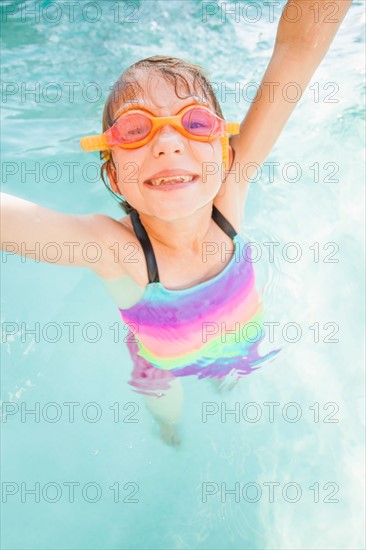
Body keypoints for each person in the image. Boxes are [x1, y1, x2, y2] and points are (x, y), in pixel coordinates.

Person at [1, 1, 352, 445]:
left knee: (234, 372)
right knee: (167, 404)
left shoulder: (230, 191)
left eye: (195, 123)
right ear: (113, 175)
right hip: (160, 361)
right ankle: (169, 429)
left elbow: (298, 50)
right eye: (134, 129)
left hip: (238, 331)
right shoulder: (116, 249)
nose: (167, 142)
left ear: (225, 154)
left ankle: (225, 382)